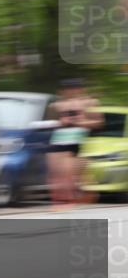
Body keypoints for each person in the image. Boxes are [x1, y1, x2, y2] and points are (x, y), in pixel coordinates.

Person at [46, 78, 102, 207]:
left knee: (72, 169)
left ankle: (84, 191)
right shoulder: (56, 105)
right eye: (67, 89)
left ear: (81, 89)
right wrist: (61, 122)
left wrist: (81, 122)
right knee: (58, 169)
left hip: (80, 138)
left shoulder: (90, 102)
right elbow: (51, 123)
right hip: (60, 138)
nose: (71, 91)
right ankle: (68, 196)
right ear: (62, 91)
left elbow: (99, 122)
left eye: (74, 88)